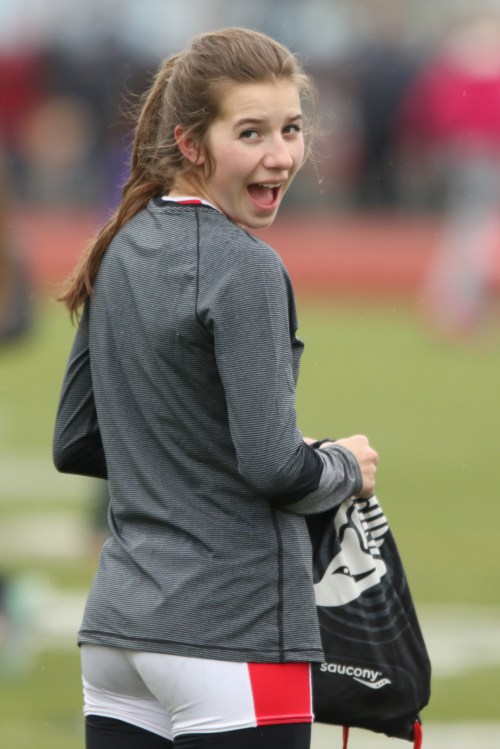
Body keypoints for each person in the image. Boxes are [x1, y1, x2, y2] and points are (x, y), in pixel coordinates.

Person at [52, 28, 378, 749]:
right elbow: (272, 466)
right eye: (251, 132)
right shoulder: (245, 264)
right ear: (192, 144)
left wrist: (188, 456)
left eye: (291, 129)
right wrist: (346, 465)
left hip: (120, 635)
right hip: (234, 634)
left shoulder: (122, 241)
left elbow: (76, 440)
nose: (281, 155)